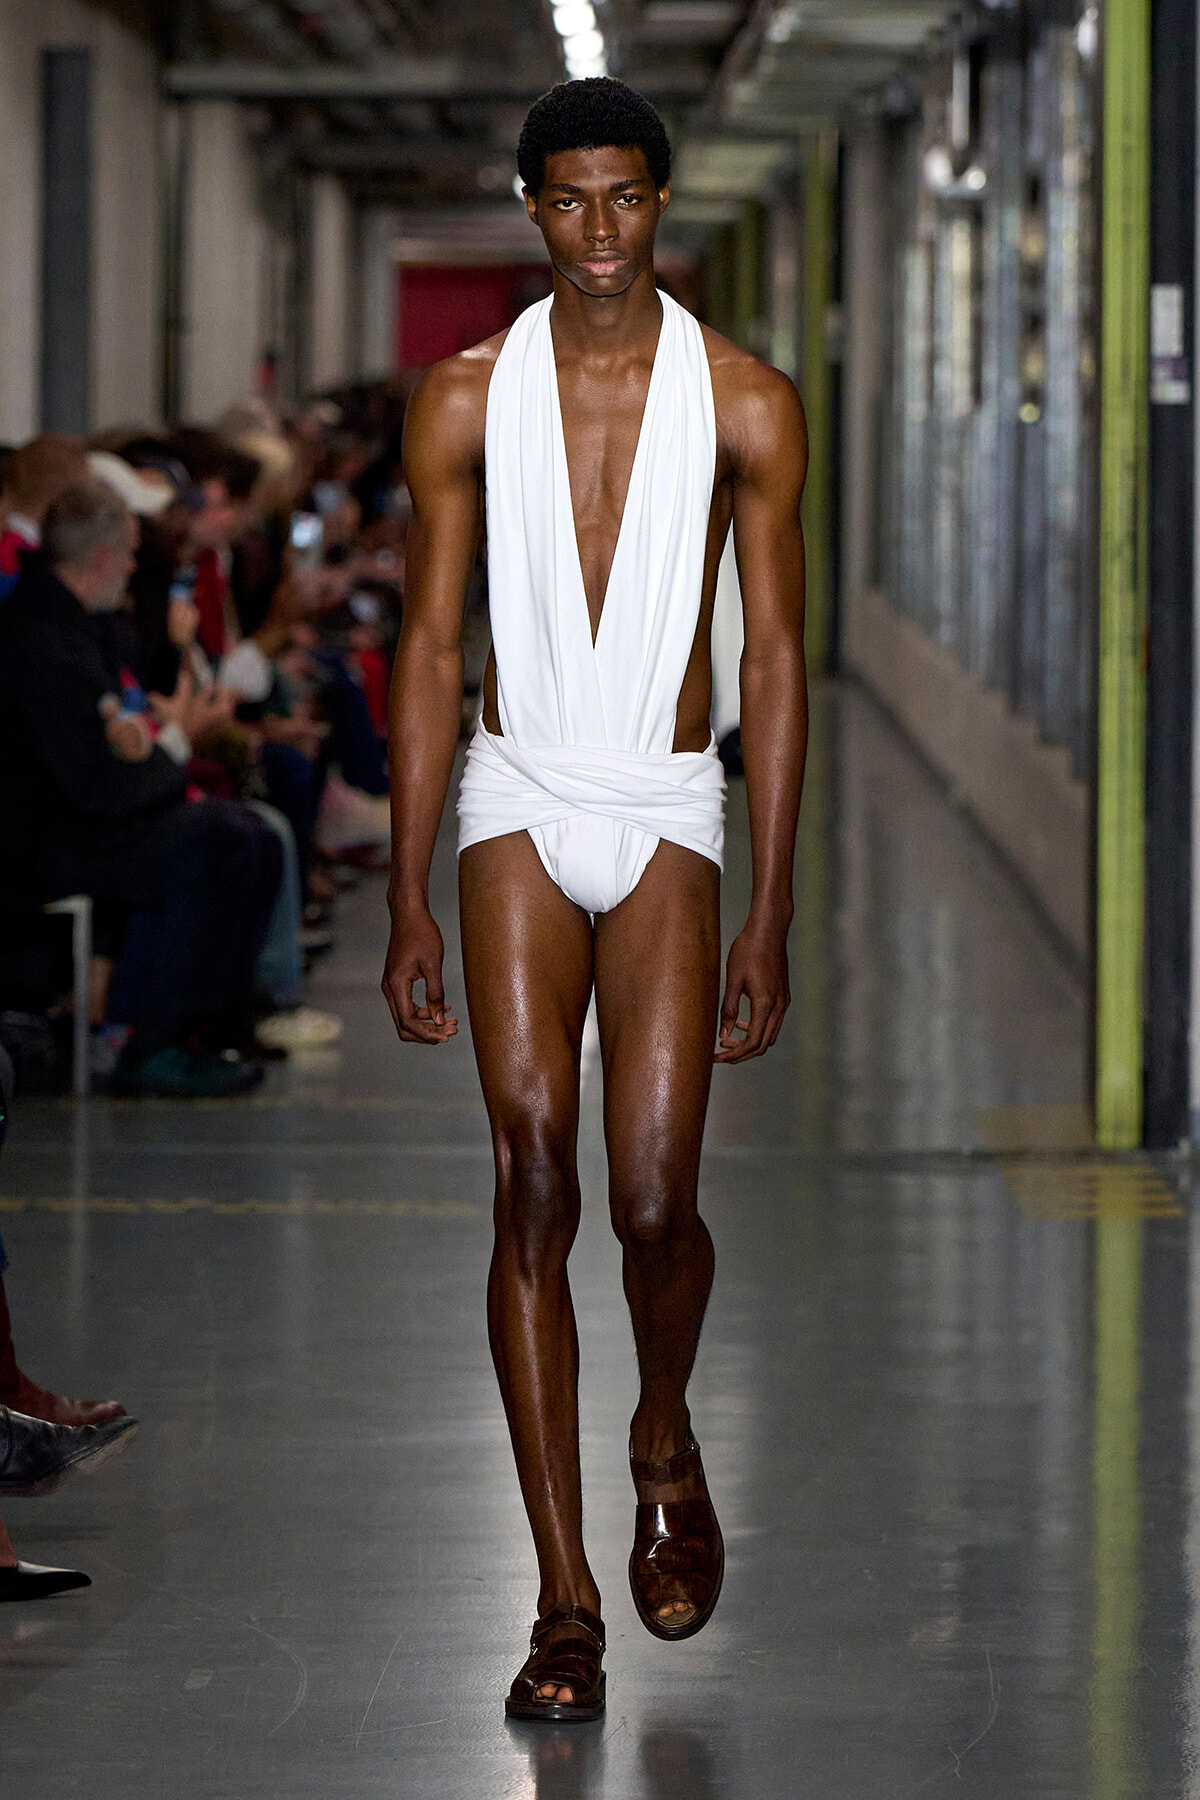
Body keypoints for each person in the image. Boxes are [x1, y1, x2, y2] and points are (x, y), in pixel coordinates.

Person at [382, 78, 808, 1721]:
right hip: (517, 787)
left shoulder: (753, 404)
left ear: (664, 205)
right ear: (531, 209)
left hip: (664, 797)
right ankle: (564, 1602)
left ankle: (664, 1429)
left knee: (650, 1199)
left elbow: (773, 657)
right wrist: (411, 891)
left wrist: (769, 907)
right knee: (534, 1176)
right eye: (570, 202)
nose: (601, 233)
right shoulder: (462, 398)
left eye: (628, 199)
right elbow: (427, 645)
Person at [0, 481, 282, 1097]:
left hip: (86, 816)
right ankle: (149, 1040)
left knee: (251, 832)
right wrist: (175, 745)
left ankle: (206, 1024)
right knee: (221, 840)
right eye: (128, 553)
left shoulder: (80, 625)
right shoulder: (42, 641)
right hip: (46, 839)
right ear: (101, 557)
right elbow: (93, 786)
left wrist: (160, 741)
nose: (134, 566)